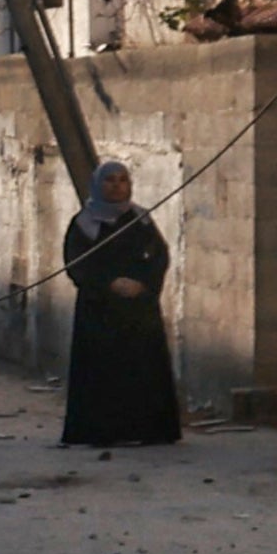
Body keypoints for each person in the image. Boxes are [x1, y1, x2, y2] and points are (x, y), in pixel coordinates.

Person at [61, 159, 183, 447]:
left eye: (122, 180)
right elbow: (76, 263)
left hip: (138, 310)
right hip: (100, 312)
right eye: (110, 180)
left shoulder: (141, 219)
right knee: (102, 373)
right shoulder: (84, 224)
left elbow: (159, 256)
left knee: (144, 370)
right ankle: (102, 433)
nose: (117, 186)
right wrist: (109, 283)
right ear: (98, 185)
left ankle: (148, 431)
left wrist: (143, 284)